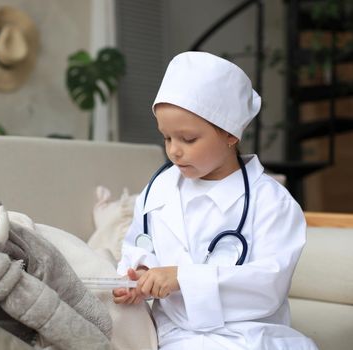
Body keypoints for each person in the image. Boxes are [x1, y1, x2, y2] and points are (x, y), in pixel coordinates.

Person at [113, 51, 318, 350]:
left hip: (250, 335)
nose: (174, 151)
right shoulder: (158, 189)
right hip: (174, 333)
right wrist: (139, 279)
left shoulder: (272, 202)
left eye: (188, 139)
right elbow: (137, 248)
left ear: (230, 134)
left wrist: (184, 278)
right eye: (167, 137)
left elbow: (269, 285)